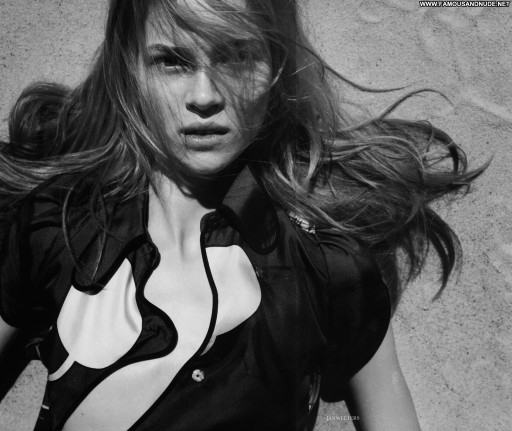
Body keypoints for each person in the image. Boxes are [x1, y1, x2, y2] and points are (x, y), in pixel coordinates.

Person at [0, 0, 484, 430]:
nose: (204, 96)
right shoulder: (56, 223)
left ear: (278, 68)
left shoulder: (328, 263)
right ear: (130, 69)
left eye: (236, 57)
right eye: (171, 61)